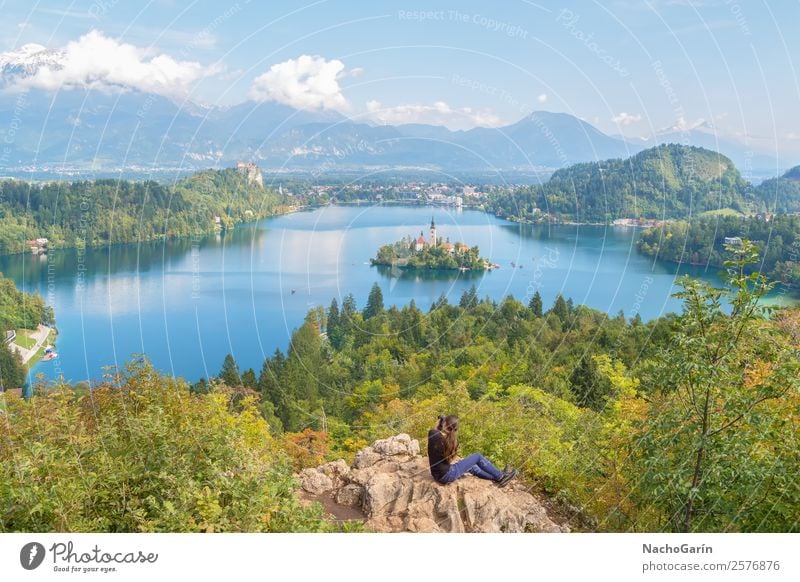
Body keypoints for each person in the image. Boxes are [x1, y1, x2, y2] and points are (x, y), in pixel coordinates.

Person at [427, 414, 518, 487]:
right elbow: (449, 459)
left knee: (472, 467)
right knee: (477, 456)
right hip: (446, 475)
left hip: (440, 475)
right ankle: (501, 476)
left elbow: (436, 430)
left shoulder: (434, 435)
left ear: (444, 424)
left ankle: (497, 477)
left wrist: (441, 421)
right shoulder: (453, 442)